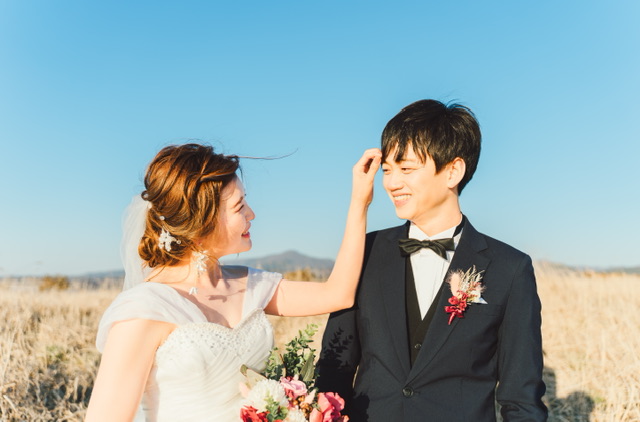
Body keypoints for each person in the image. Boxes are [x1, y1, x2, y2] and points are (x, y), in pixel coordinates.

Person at [85, 143, 381, 422]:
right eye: (239, 207)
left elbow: (338, 294)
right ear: (202, 222)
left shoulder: (252, 284)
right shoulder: (145, 309)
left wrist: (360, 202)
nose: (252, 213)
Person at [317, 100, 547, 421]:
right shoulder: (364, 251)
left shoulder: (509, 268)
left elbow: (522, 398)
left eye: (406, 169)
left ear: (452, 171)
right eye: (387, 170)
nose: (391, 183)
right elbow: (333, 369)